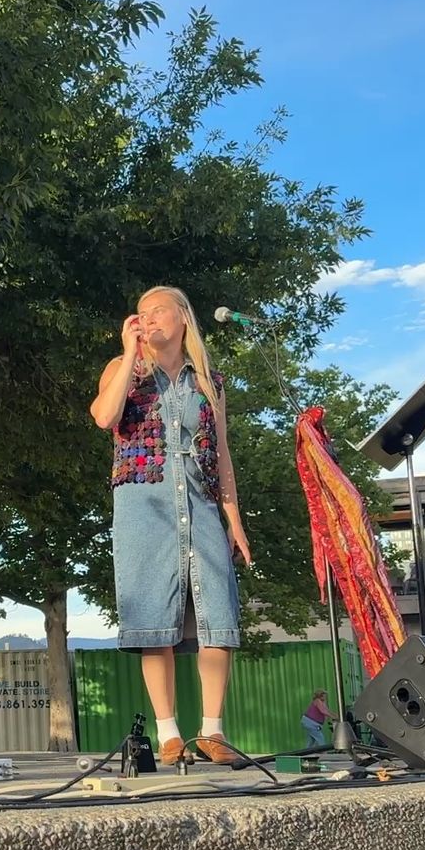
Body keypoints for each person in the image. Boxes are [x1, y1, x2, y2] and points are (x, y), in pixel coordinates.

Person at [89, 286, 250, 766]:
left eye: (157, 310)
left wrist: (234, 519)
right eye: (141, 313)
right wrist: (128, 353)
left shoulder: (209, 381)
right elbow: (104, 417)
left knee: (216, 614)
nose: (148, 318)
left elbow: (222, 454)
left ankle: (213, 731)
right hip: (144, 507)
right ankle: (168, 733)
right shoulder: (122, 369)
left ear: (182, 317)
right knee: (153, 621)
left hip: (200, 503)